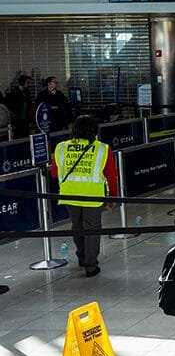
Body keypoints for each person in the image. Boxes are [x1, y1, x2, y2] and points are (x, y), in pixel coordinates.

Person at [51, 114, 117, 277]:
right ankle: (90, 265)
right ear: (95, 131)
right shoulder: (102, 149)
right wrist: (113, 197)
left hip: (69, 194)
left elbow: (54, 173)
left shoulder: (61, 147)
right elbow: (110, 175)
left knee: (77, 226)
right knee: (92, 229)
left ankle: (82, 257)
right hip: (92, 196)